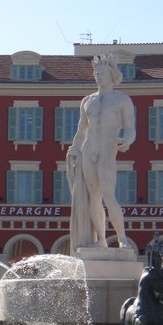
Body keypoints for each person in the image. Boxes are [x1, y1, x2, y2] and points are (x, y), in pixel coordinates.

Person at [66, 53, 136, 252]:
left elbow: (131, 128)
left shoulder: (122, 100)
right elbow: (81, 131)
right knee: (93, 197)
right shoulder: (87, 101)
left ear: (112, 74)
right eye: (96, 72)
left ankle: (122, 239)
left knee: (108, 194)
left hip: (107, 150)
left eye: (102, 72)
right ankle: (101, 240)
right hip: (89, 150)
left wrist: (128, 139)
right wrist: (74, 150)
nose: (98, 75)